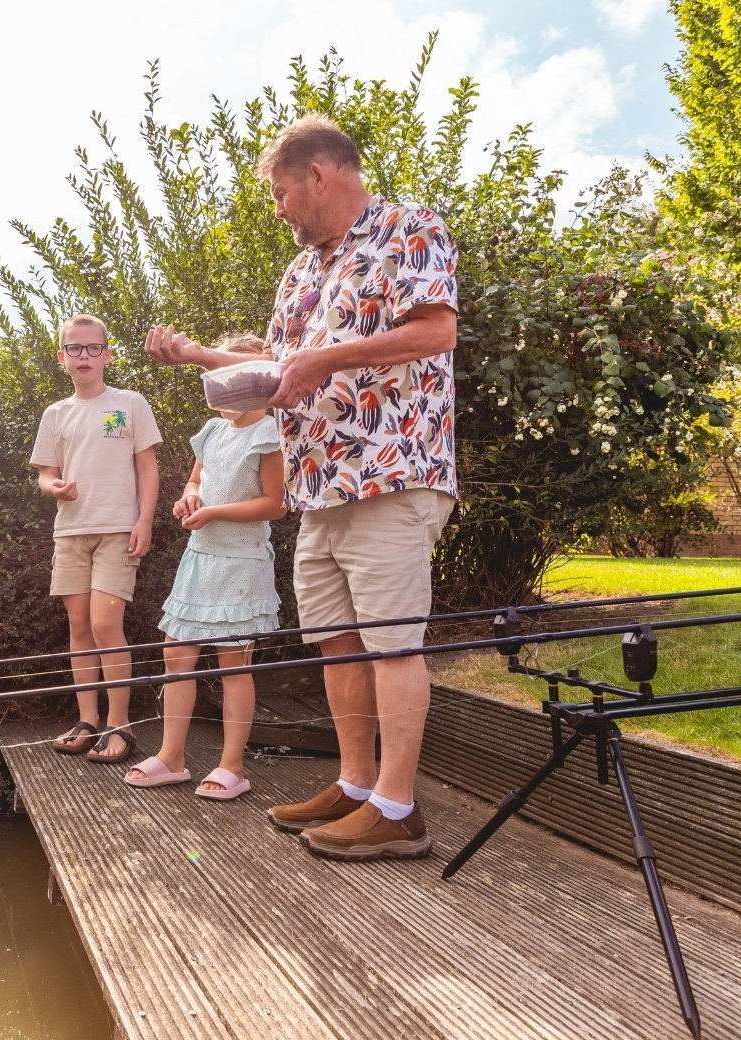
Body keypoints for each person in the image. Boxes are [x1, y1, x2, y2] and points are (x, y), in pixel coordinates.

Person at [143, 113, 459, 859]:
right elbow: (280, 371)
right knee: (338, 644)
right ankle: (355, 786)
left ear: (319, 175)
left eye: (283, 194)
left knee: (390, 643)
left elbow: (436, 331)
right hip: (318, 486)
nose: (279, 209)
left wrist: (326, 362)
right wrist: (197, 357)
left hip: (391, 472)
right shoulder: (300, 272)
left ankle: (398, 805)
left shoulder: (406, 227)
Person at [124, 333, 286, 800]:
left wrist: (213, 512)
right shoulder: (213, 431)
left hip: (241, 564)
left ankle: (232, 767)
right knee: (177, 656)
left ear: (259, 383)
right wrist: (189, 498)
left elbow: (275, 504)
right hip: (200, 560)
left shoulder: (268, 433)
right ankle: (171, 757)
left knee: (234, 664)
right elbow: (197, 479)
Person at [31, 313, 162, 764]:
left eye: (92, 348)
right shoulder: (55, 414)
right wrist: (55, 487)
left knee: (107, 625)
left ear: (106, 354)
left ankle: (119, 726)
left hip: (117, 530)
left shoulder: (130, 403)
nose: (83, 356)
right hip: (70, 532)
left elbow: (148, 467)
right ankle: (88, 722)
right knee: (80, 627)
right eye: (74, 349)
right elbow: (46, 475)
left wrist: (145, 520)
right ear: (61, 357)